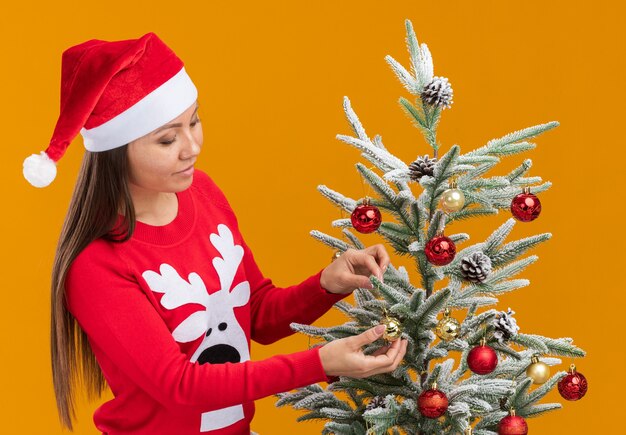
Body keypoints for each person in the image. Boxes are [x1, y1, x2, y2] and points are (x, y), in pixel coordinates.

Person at [22, 33, 408, 435]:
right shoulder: (96, 265)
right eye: (167, 139)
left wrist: (327, 284)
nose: (192, 147)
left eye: (194, 121)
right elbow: (179, 385)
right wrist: (320, 364)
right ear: (117, 150)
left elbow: (256, 314)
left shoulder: (202, 192)